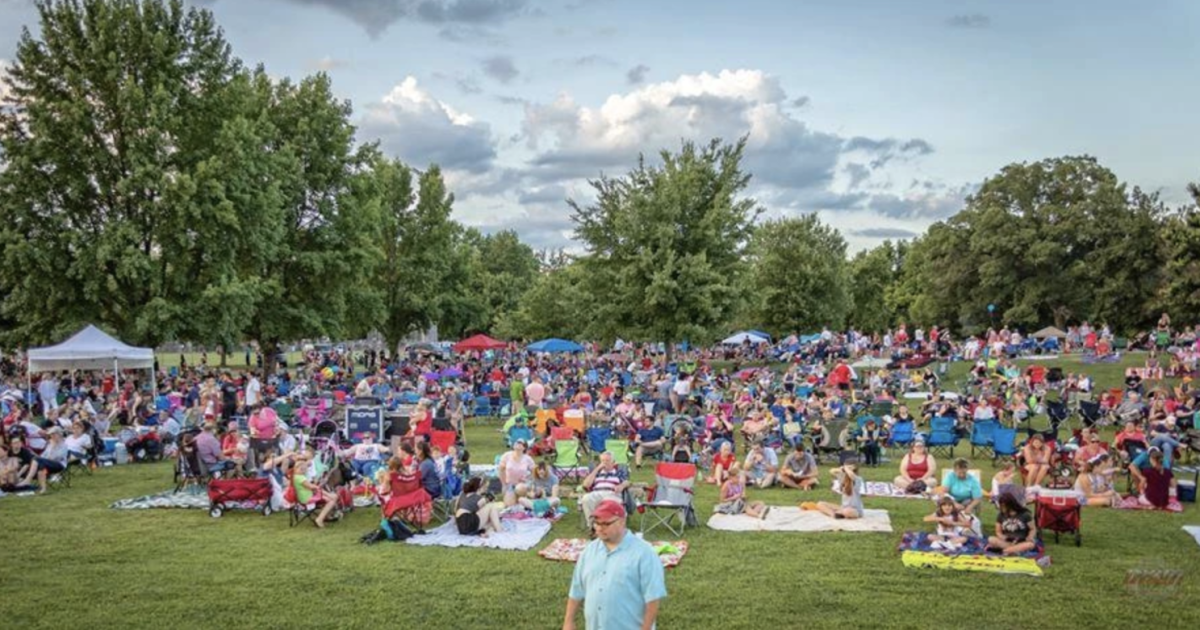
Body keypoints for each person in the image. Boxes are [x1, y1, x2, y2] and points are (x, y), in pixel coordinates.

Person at [564, 499, 666, 630]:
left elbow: (653, 598)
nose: (599, 528)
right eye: (596, 523)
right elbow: (576, 589)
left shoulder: (645, 554)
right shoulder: (589, 551)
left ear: (622, 521)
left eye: (606, 523)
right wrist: (569, 621)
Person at [579, 452, 629, 527]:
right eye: (603, 461)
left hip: (612, 493)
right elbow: (585, 485)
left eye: (607, 461)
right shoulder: (597, 473)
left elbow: (627, 482)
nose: (605, 463)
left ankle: (612, 525)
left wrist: (621, 486)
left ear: (613, 462)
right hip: (597, 493)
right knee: (586, 498)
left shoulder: (618, 472)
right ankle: (593, 526)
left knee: (613, 501)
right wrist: (597, 469)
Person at [291, 449, 338, 528]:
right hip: (307, 498)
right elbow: (311, 487)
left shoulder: (297, 476)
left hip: (309, 495)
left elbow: (312, 487)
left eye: (304, 469)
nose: (303, 471)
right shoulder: (299, 478)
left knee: (330, 497)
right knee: (331, 500)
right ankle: (319, 519)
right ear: (295, 469)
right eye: (301, 469)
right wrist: (319, 487)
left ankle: (325, 516)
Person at [498, 439, 536, 506]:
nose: (518, 444)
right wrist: (503, 484)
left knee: (519, 488)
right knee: (509, 504)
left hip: (522, 484)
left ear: (524, 447)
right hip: (509, 484)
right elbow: (501, 470)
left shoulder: (527, 458)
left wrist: (529, 480)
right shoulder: (506, 455)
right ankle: (520, 500)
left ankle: (526, 496)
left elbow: (535, 471)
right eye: (517, 442)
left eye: (521, 443)